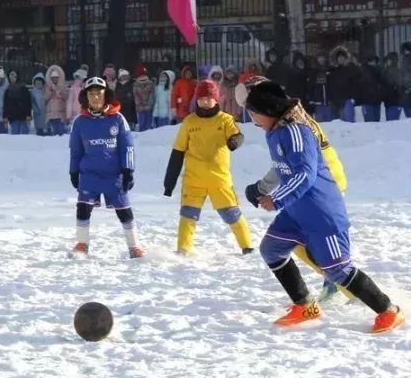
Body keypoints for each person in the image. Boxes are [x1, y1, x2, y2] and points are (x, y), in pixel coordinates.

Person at [243, 80, 404, 333]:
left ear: (269, 110)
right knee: (272, 249)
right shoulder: (275, 132)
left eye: (253, 112)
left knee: (339, 270)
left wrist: (276, 198)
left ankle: (388, 310)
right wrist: (264, 189)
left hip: (322, 215)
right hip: (297, 213)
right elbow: (283, 169)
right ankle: (304, 305)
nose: (251, 118)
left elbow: (304, 174)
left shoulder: (297, 132)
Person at [241, 76, 351, 302]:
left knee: (305, 241)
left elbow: (294, 166)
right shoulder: (288, 116)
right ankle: (334, 280)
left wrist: (262, 187)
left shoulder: (291, 124)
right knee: (300, 240)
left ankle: (342, 283)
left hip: (322, 182)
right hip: (322, 177)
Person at [163, 80, 253, 255]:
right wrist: (169, 183)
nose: (205, 101)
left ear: (216, 99)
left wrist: (234, 141)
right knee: (188, 215)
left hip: (219, 179)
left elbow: (237, 135)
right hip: (193, 180)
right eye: (201, 98)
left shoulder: (225, 119)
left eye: (209, 98)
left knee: (231, 214)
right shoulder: (189, 122)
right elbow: (177, 153)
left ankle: (247, 246)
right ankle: (183, 249)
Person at [69, 77, 146, 259]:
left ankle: (134, 246)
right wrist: (73, 171)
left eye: (99, 93)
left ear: (106, 96)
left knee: (124, 210)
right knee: (83, 208)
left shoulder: (118, 119)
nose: (95, 97)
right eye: (91, 94)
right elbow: (75, 150)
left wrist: (128, 170)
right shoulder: (80, 122)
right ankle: (82, 244)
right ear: (85, 97)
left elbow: (127, 146)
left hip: (114, 175)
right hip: (90, 175)